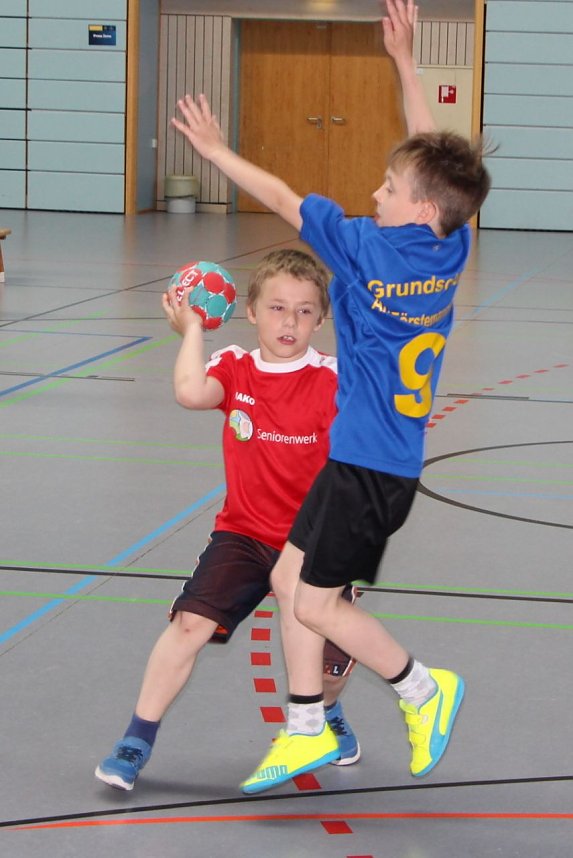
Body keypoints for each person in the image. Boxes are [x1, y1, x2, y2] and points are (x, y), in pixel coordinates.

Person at [170, 0, 492, 795]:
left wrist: (216, 149)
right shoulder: (450, 245)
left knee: (315, 606)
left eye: (385, 185)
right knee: (292, 582)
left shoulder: (361, 248)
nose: (374, 191)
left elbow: (282, 197)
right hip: (381, 462)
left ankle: (421, 686)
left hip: (362, 470)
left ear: (413, 207)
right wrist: (404, 64)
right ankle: (307, 726)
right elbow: (434, 168)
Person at [95, 248, 362, 791]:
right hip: (242, 534)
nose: (289, 322)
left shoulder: (333, 379)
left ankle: (326, 716)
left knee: (326, 671)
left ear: (321, 318)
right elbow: (191, 392)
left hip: (312, 546)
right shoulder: (235, 367)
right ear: (250, 311)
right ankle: (136, 738)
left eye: (305, 311)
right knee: (188, 625)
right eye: (277, 308)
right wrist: (191, 328)